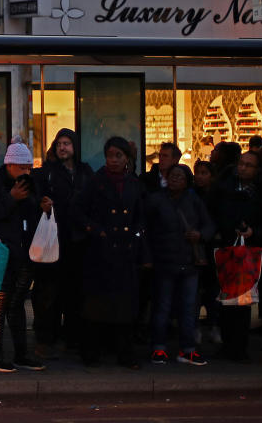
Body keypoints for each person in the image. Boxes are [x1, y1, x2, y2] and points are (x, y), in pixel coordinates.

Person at [72, 136, 147, 369]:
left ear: (127, 158)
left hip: (125, 251)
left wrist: (136, 236)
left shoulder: (133, 183)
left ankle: (125, 353)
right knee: (96, 304)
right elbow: (76, 210)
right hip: (100, 251)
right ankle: (91, 352)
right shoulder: (96, 181)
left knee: (125, 306)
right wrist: (96, 230)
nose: (113, 160)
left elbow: (140, 215)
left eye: (118, 156)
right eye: (110, 155)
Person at [0, 140, 48, 372]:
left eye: (29, 167)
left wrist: (43, 207)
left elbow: (33, 214)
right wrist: (11, 198)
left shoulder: (30, 184)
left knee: (17, 303)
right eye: (21, 167)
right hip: (0, 252)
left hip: (24, 253)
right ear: (9, 165)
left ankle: (21, 353)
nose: (26, 172)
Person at [31, 128, 94, 355]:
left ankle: (72, 337)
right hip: (52, 240)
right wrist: (41, 203)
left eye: (67, 143)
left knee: (75, 291)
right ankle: (46, 337)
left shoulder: (85, 172)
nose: (62, 147)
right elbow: (34, 196)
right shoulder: (46, 172)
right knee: (48, 292)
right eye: (59, 143)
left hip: (78, 241)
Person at [146, 164, 214, 366]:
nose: (175, 179)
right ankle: (159, 347)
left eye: (180, 176)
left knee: (188, 308)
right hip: (164, 261)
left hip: (188, 262)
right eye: (172, 175)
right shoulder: (156, 200)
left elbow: (209, 224)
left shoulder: (194, 201)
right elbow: (146, 228)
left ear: (187, 181)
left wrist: (200, 235)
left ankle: (188, 349)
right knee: (162, 306)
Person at [211, 150, 262, 361]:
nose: (243, 168)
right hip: (226, 246)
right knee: (226, 300)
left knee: (243, 301)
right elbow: (215, 211)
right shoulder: (224, 188)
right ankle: (227, 344)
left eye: (248, 165)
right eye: (241, 163)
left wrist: (254, 232)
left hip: (247, 248)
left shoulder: (260, 192)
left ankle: (239, 347)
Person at [192, 160, 222, 346]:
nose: (200, 177)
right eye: (198, 173)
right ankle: (200, 327)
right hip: (199, 245)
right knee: (198, 290)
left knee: (212, 290)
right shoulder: (193, 195)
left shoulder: (216, 196)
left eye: (204, 173)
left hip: (210, 247)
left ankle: (213, 325)